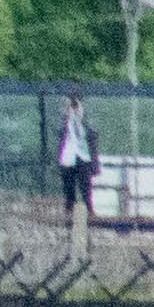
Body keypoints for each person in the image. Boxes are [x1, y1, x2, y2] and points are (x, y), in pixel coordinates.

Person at [56, 91, 97, 229]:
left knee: (86, 186)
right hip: (68, 155)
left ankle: (90, 212)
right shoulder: (63, 115)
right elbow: (58, 128)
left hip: (83, 155)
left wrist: (80, 115)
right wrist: (68, 114)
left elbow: (92, 131)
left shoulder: (86, 115)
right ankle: (68, 214)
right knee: (69, 188)